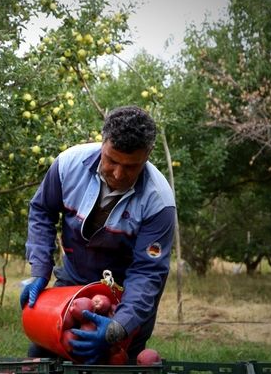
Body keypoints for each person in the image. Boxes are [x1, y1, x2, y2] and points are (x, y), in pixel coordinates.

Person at [20, 106, 176, 364]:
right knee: (46, 355)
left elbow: (148, 272)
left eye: (131, 167)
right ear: (102, 142)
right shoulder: (68, 165)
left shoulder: (158, 202)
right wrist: (40, 270)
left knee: (118, 361)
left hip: (125, 294)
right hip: (73, 282)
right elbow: (42, 210)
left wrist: (119, 326)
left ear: (147, 156)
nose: (118, 174)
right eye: (111, 160)